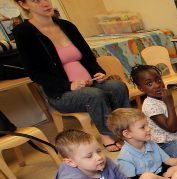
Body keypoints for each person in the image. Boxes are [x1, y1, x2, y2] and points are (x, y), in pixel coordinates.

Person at [13, 0, 130, 152]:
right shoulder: (24, 32)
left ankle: (128, 129)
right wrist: (69, 85)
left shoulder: (67, 26)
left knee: (117, 86)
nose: (45, 3)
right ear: (24, 4)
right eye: (37, 0)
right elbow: (34, 73)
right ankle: (106, 136)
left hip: (90, 84)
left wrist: (98, 72)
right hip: (61, 94)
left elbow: (89, 57)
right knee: (94, 95)